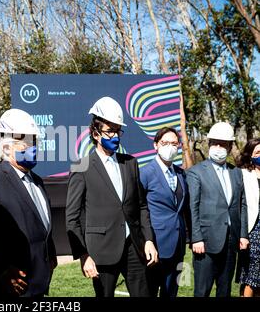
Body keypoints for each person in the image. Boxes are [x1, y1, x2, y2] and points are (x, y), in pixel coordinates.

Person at [65, 96, 158, 297]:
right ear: (96, 134)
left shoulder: (130, 163)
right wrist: (83, 255)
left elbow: (141, 206)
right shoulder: (81, 166)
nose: (115, 135)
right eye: (110, 131)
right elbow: (72, 217)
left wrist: (148, 240)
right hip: (101, 250)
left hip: (134, 247)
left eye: (118, 130)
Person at [0, 108, 57, 297]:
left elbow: (42, 226)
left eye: (34, 141)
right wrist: (0, 270)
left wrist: (50, 255)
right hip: (10, 291)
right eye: (25, 142)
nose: (32, 147)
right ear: (7, 147)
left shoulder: (37, 181)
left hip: (38, 287)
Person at [187, 122, 249, 297]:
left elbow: (242, 205)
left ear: (230, 147)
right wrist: (196, 238)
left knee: (225, 290)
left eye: (223, 144)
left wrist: (243, 234)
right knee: (202, 290)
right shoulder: (196, 172)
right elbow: (193, 207)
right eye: (215, 143)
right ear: (209, 144)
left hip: (231, 241)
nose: (218, 147)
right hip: (205, 243)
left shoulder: (236, 173)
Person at [140, 127, 190, 297]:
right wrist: (147, 240)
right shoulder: (145, 173)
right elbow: (140, 209)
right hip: (155, 245)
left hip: (178, 245)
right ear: (156, 145)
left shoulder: (181, 174)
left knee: (171, 293)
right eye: (165, 143)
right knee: (150, 291)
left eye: (174, 143)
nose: (170, 147)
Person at [237, 138, 260, 297]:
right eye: (258, 152)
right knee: (252, 274)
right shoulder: (244, 174)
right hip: (253, 229)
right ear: (250, 155)